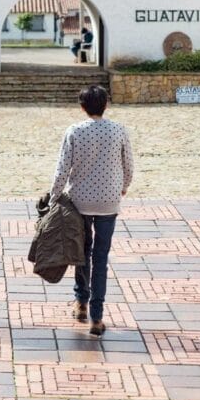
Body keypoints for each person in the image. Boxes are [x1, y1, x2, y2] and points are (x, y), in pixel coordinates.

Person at [49, 85, 133, 336]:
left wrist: (54, 196)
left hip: (79, 202)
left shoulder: (74, 131)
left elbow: (62, 168)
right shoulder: (119, 130)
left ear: (82, 106)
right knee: (101, 258)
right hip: (109, 201)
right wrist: (123, 187)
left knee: (82, 253)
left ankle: (81, 303)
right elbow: (128, 165)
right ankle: (97, 317)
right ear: (106, 105)